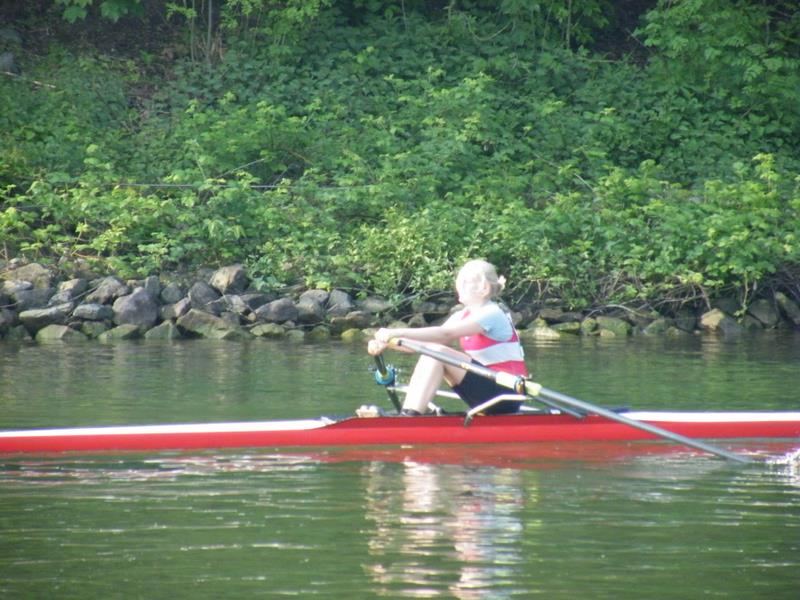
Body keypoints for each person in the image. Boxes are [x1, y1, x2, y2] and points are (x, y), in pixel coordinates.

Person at [367, 259, 528, 416]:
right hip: (488, 391)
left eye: (464, 281)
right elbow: (419, 345)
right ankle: (409, 414)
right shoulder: (461, 316)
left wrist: (396, 332)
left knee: (436, 352)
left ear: (484, 288)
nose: (458, 285)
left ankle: (410, 416)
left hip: (508, 392)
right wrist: (386, 343)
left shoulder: (492, 313)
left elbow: (445, 334)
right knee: (431, 352)